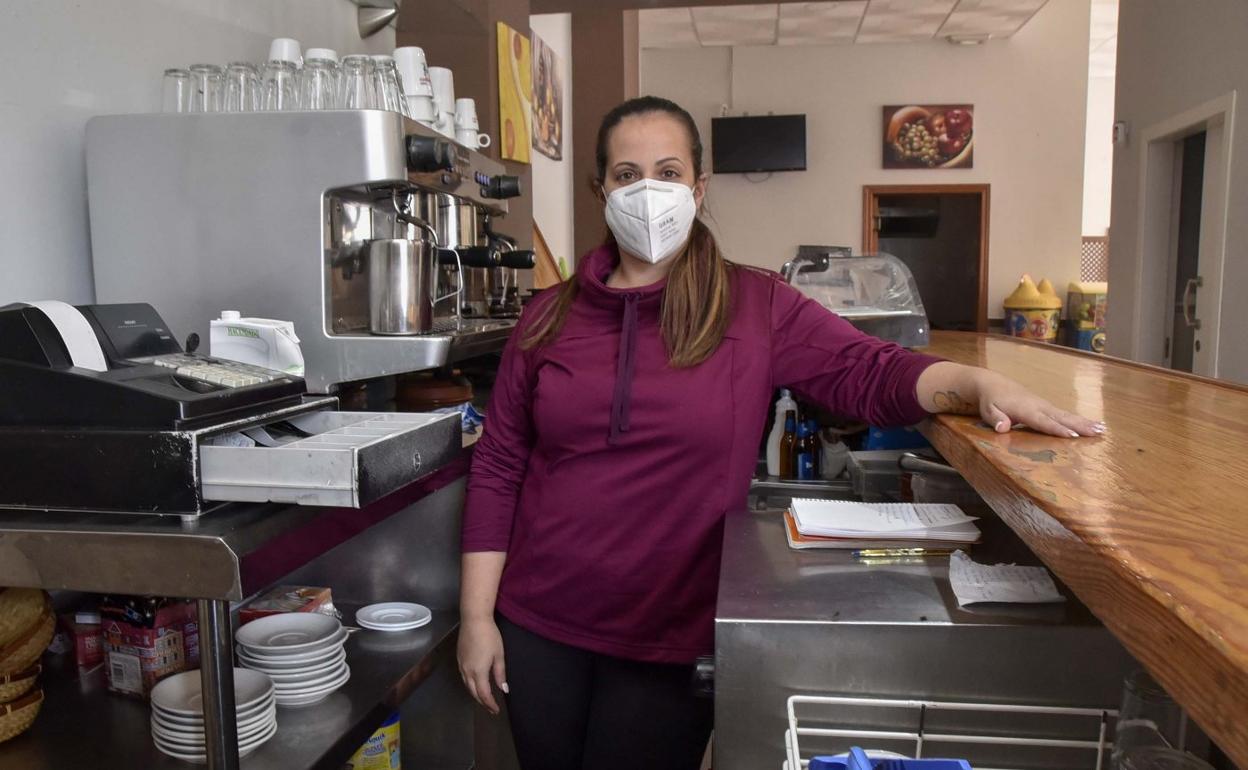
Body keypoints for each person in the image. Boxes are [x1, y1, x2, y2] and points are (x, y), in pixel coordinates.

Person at [457, 95, 1103, 769]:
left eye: (668, 172)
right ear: (601, 190)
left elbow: (868, 371)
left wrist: (973, 384)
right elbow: (501, 466)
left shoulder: (756, 305)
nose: (648, 192)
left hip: (668, 634)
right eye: (627, 175)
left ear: (699, 189)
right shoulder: (546, 319)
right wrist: (478, 619)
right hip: (537, 623)